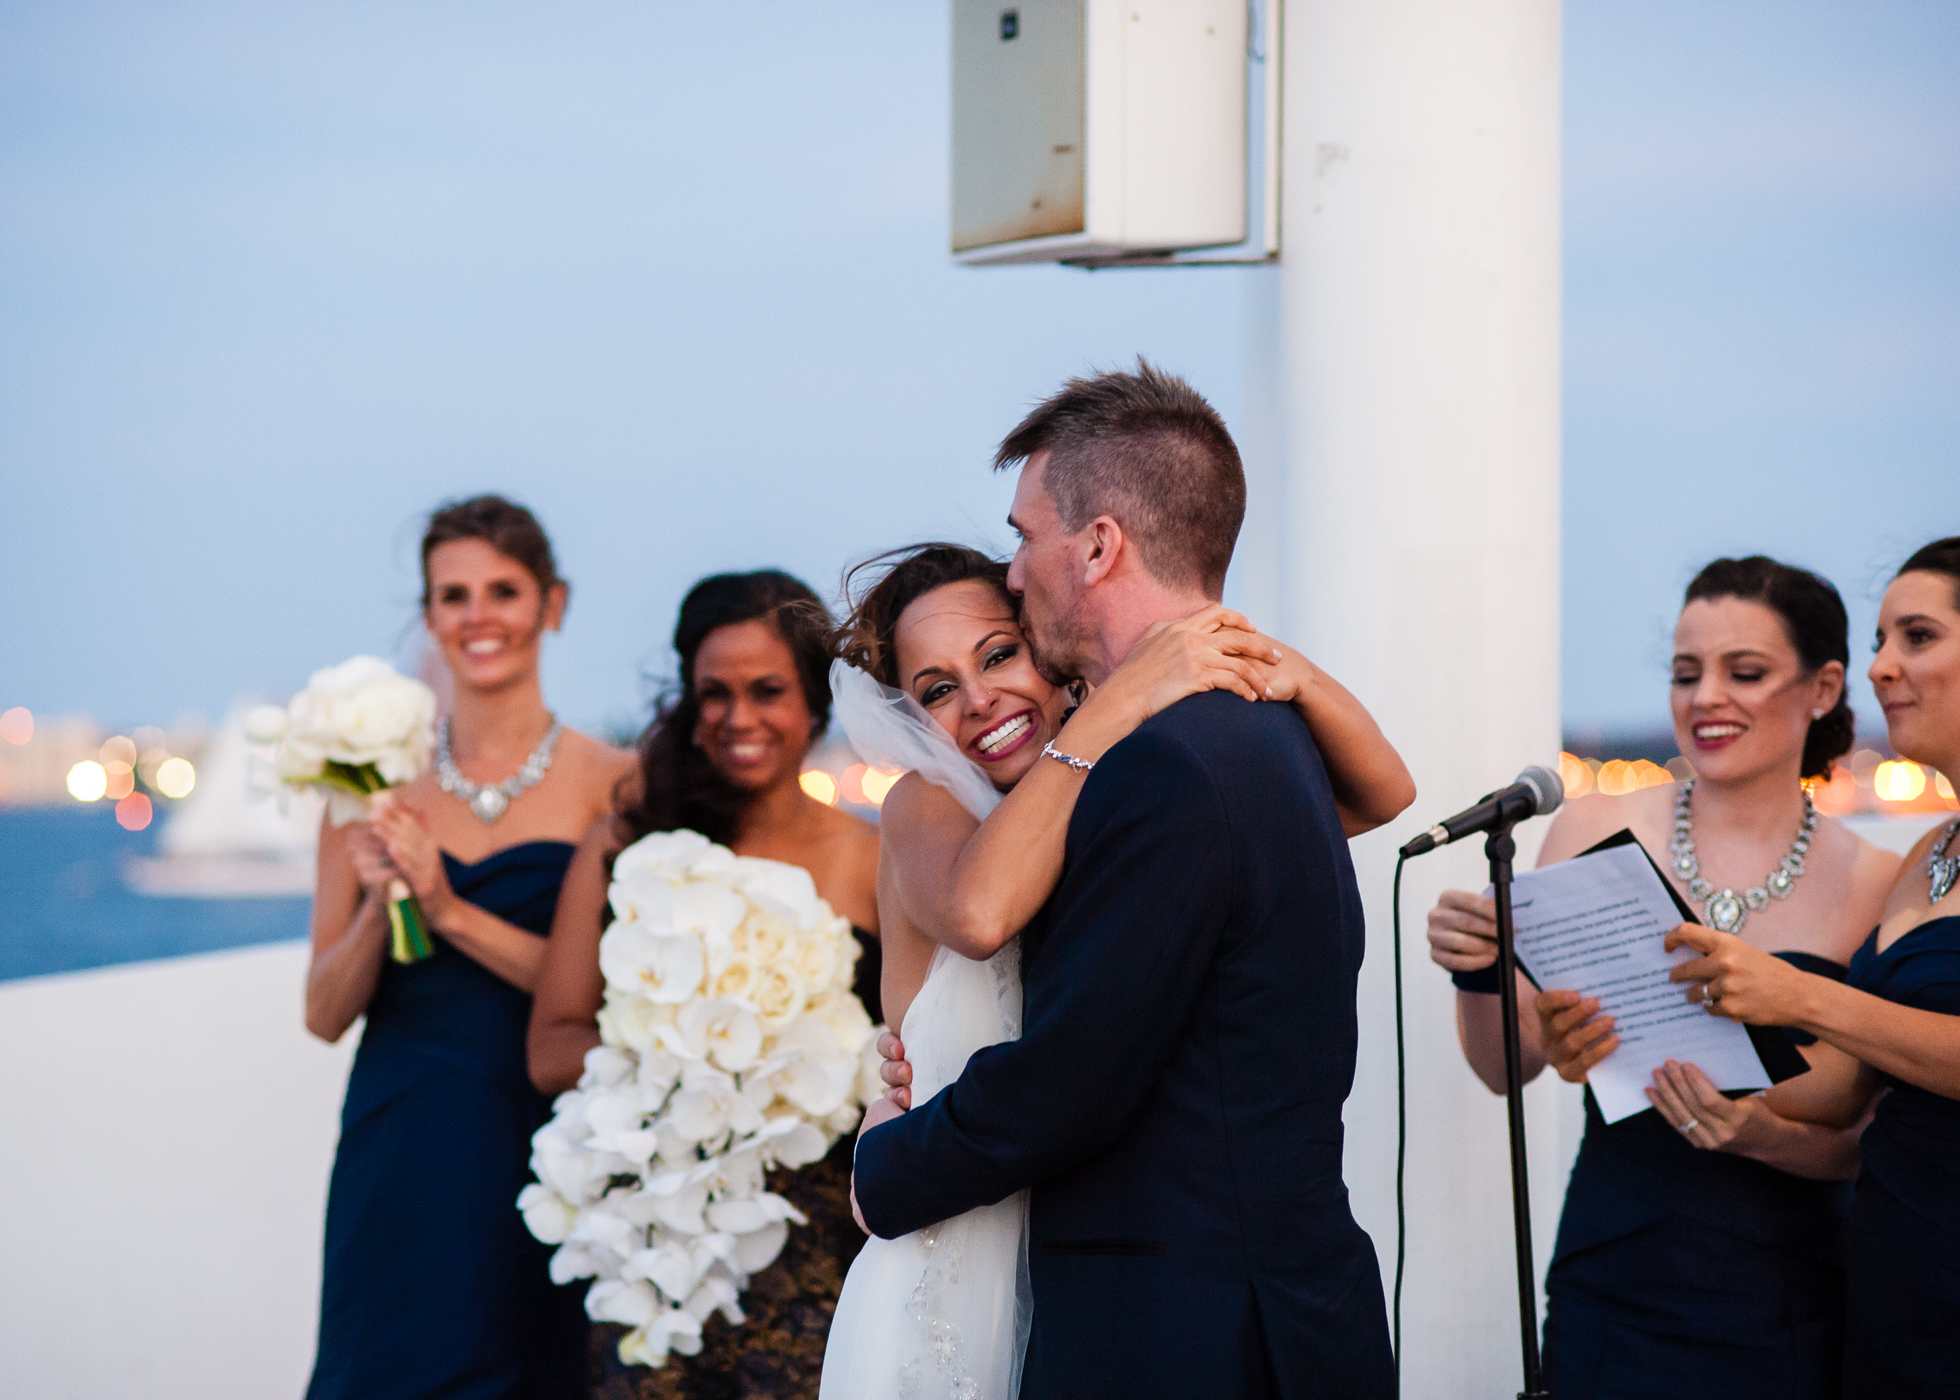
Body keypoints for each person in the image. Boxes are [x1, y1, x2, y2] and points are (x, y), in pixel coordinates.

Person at [849, 362, 1404, 1398]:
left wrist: (883, 1170)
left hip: (1186, 1329)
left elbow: (1072, 1083)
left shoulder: (1165, 763)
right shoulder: (1244, 731)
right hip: (1254, 1306)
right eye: (936, 688)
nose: (1014, 567)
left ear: (1097, 543)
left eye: (1022, 536)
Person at [1426, 555, 1898, 1399]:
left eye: (1743, 671)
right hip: (1618, 1262)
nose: (1705, 696)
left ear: (1823, 687)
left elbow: (1873, 1139)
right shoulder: (1590, 827)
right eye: (1686, 673)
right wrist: (1480, 969)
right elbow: (1508, 1066)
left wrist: (1756, 1134)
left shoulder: (1874, 883)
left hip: (1792, 1283)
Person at [304, 495, 635, 1400]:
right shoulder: (366, 788)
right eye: (453, 595)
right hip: (402, 1144)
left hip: (548, 1139)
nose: (477, 616)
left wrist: (447, 911)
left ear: (552, 605)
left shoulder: (615, 785)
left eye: (503, 590)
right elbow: (324, 1014)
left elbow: (618, 1007)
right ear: (428, 614)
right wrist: (383, 905)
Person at [526, 569, 881, 1400]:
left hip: (817, 1241)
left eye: (768, 691)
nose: (739, 718)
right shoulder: (625, 846)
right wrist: (687, 1074)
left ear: (817, 702)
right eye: (714, 693)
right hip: (655, 1245)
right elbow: (551, 1047)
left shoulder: (873, 859)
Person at [1651, 537, 1960, 1399]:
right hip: (1892, 1286)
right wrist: (1647, 1045)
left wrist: (1804, 995)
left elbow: (1844, 1023)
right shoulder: (1928, 855)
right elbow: (1850, 1090)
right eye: (1879, 644)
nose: (1883, 669)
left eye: (1918, 638)